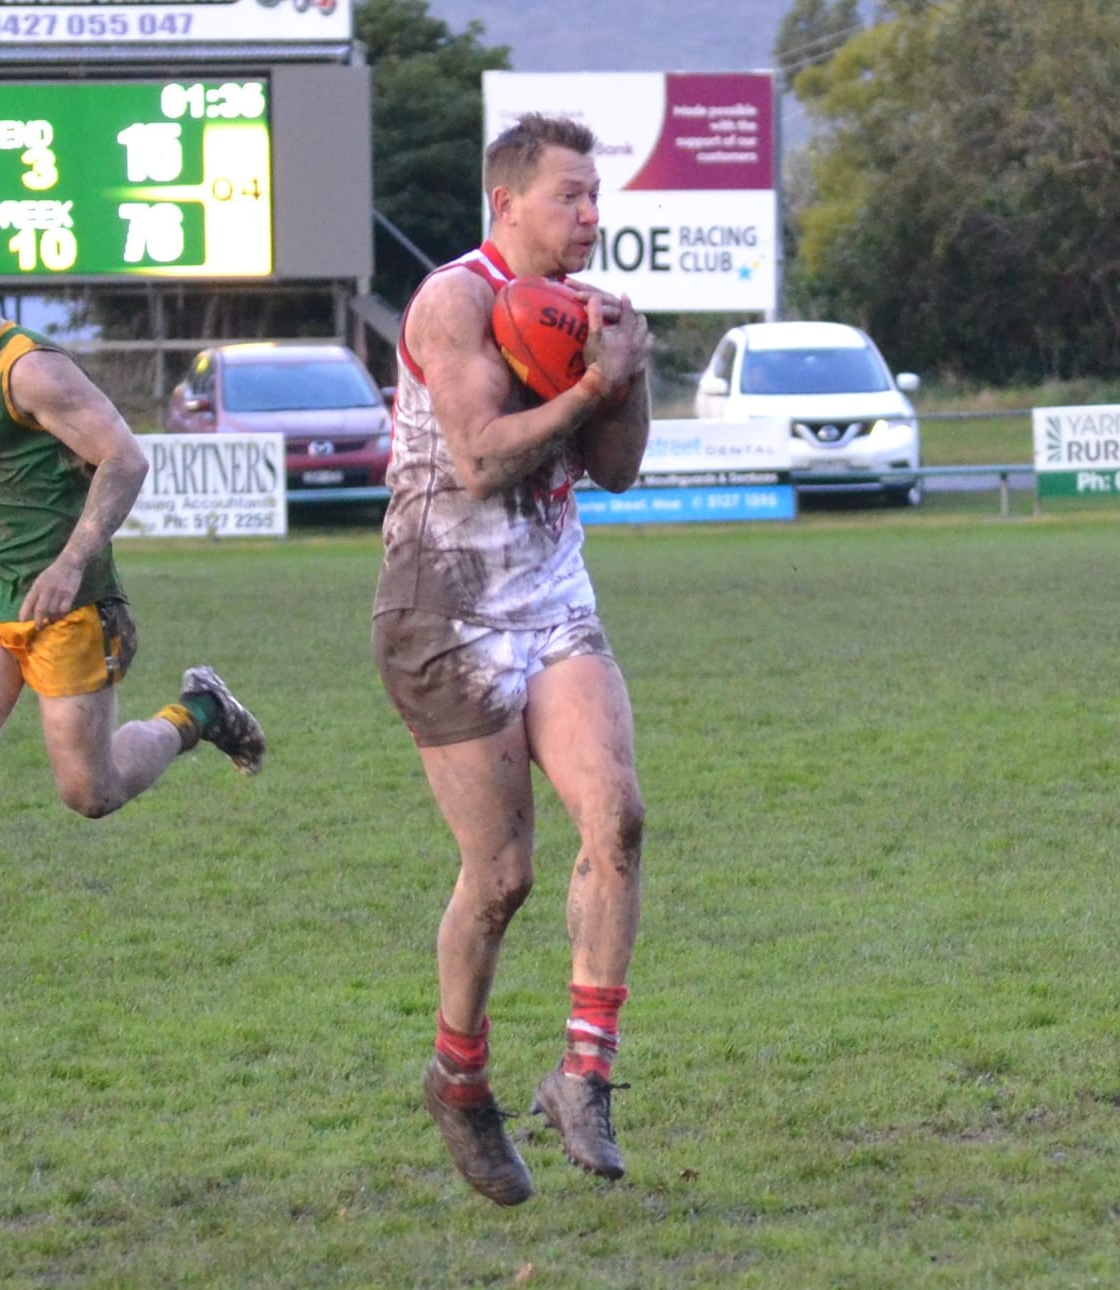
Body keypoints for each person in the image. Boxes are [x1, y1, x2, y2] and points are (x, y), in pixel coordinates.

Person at [0, 228, 265, 992]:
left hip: (70, 610)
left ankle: (199, 712)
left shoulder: (30, 370)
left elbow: (125, 458)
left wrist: (73, 562)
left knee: (90, 793)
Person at [372, 114, 655, 1204]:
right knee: (500, 879)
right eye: (570, 196)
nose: (590, 216)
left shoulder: (597, 311)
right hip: (440, 608)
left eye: (596, 198)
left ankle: (583, 1073)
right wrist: (584, 389)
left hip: (549, 599)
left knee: (618, 817)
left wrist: (627, 368)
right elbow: (480, 461)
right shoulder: (455, 299)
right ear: (507, 204)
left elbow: (617, 474)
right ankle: (459, 1076)